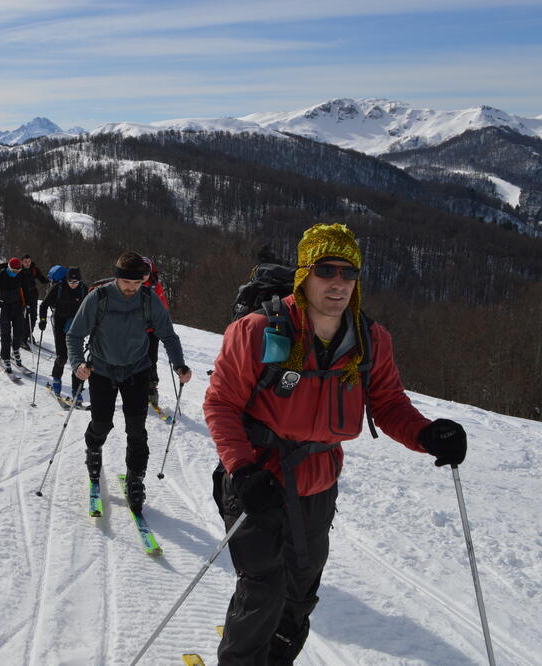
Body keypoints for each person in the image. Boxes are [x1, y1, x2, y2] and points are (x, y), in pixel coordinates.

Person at [203, 223, 467, 665]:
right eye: (327, 270)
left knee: (300, 592)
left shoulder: (370, 341)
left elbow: (387, 403)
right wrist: (242, 469)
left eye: (350, 272)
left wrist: (426, 434)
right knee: (263, 587)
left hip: (318, 482)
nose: (339, 282)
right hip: (257, 477)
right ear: (305, 273)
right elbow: (221, 404)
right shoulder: (255, 331)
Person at [67, 251, 192, 513]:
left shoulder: (147, 299)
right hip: (101, 370)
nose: (132, 288)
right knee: (102, 423)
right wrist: (78, 364)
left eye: (137, 283)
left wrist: (179, 364)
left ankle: (135, 479)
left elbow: (168, 335)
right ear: (117, 277)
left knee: (137, 430)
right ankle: (93, 450)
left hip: (137, 370)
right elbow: (75, 335)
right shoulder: (98, 298)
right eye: (127, 283)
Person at [38, 266, 87, 402]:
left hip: (76, 326)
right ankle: (56, 381)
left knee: (77, 359)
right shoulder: (58, 288)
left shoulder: (83, 289)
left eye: (76, 282)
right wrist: (42, 320)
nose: (73, 285)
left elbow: (90, 308)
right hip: (59, 323)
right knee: (62, 356)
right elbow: (44, 305)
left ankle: (76, 390)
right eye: (71, 282)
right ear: (66, 280)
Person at [0, 257, 28, 373]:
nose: (16, 273)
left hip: (17, 306)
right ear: (9, 268)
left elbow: (26, 290)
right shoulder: (1, 275)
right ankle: (5, 357)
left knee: (19, 331)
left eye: (18, 271)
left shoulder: (21, 274)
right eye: (14, 271)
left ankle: (15, 350)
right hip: (5, 307)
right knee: (5, 333)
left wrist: (27, 304)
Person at [142, 257, 169, 406]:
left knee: (151, 359)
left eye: (146, 270)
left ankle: (151, 389)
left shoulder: (155, 286)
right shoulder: (132, 284)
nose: (143, 274)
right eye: (141, 270)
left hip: (152, 330)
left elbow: (164, 307)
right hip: (134, 330)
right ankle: (136, 388)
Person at [20, 254, 49, 348]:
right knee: (25, 318)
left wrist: (49, 281)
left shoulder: (33, 269)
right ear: (22, 262)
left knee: (33, 317)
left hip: (33, 296)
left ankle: (28, 333)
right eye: (25, 262)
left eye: (29, 261)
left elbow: (41, 278)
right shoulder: (19, 270)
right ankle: (22, 339)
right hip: (23, 298)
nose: (28, 263)